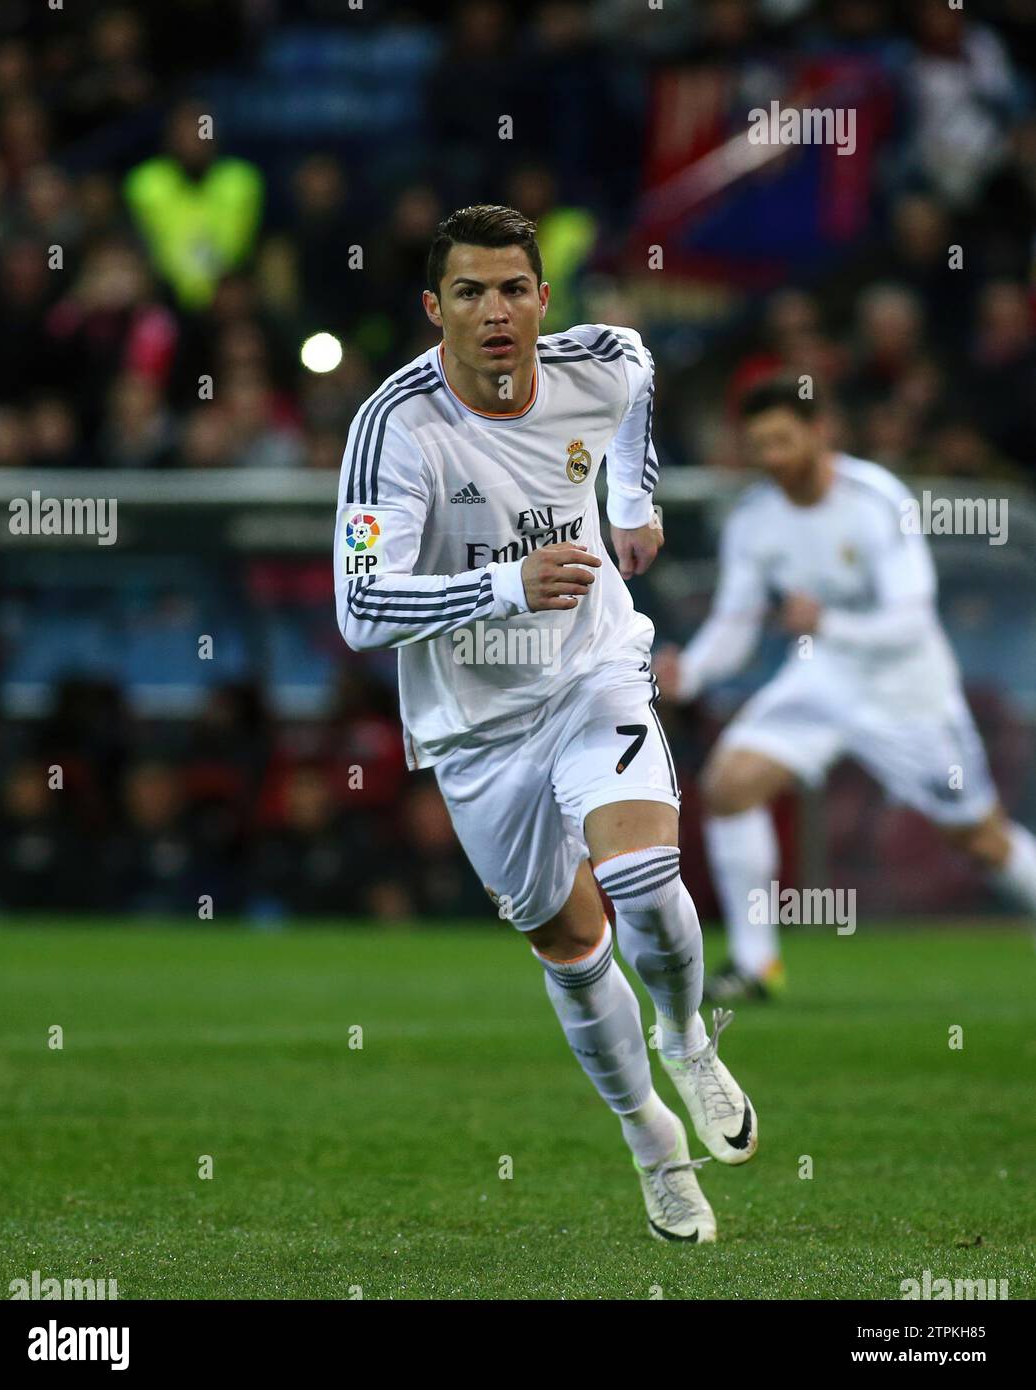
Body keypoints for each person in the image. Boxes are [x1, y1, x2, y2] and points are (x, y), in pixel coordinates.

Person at [334, 205, 757, 1244]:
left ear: (541, 299)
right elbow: (358, 606)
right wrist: (503, 586)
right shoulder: (394, 426)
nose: (494, 312)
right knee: (570, 945)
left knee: (642, 880)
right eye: (469, 292)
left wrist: (631, 498)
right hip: (475, 728)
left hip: (589, 674)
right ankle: (651, 1141)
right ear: (433, 308)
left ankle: (687, 1038)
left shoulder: (596, 363)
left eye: (512, 289)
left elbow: (637, 372)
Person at [654, 378, 1036, 1002]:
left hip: (905, 688)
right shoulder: (754, 517)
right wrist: (690, 673)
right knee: (729, 785)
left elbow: (911, 618)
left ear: (819, 433)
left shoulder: (874, 500)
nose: (771, 456)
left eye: (782, 440)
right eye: (759, 444)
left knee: (979, 836)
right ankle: (756, 966)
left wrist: (826, 622)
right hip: (823, 677)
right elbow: (736, 622)